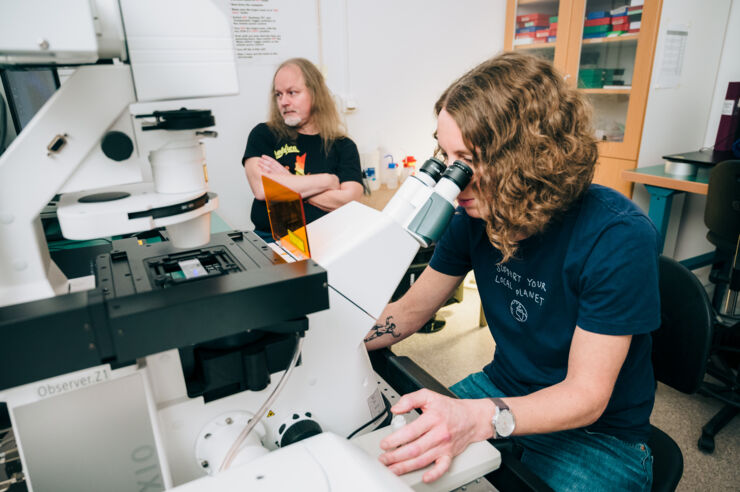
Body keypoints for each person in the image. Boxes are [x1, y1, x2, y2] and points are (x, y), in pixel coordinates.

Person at [364, 52, 660, 492]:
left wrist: (479, 418)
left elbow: (585, 397)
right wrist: (328, 340)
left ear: (527, 157)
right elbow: (409, 312)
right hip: (501, 387)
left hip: (598, 436)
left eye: (467, 159)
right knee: (380, 464)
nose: (453, 178)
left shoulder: (617, 237)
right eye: (446, 156)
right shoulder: (472, 216)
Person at [242, 58, 363, 240]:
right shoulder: (264, 134)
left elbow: (350, 200)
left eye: (292, 92)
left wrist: (287, 182)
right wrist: (328, 181)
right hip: (271, 240)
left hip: (328, 241)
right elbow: (261, 188)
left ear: (315, 94)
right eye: (279, 94)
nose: (283, 101)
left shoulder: (343, 145)